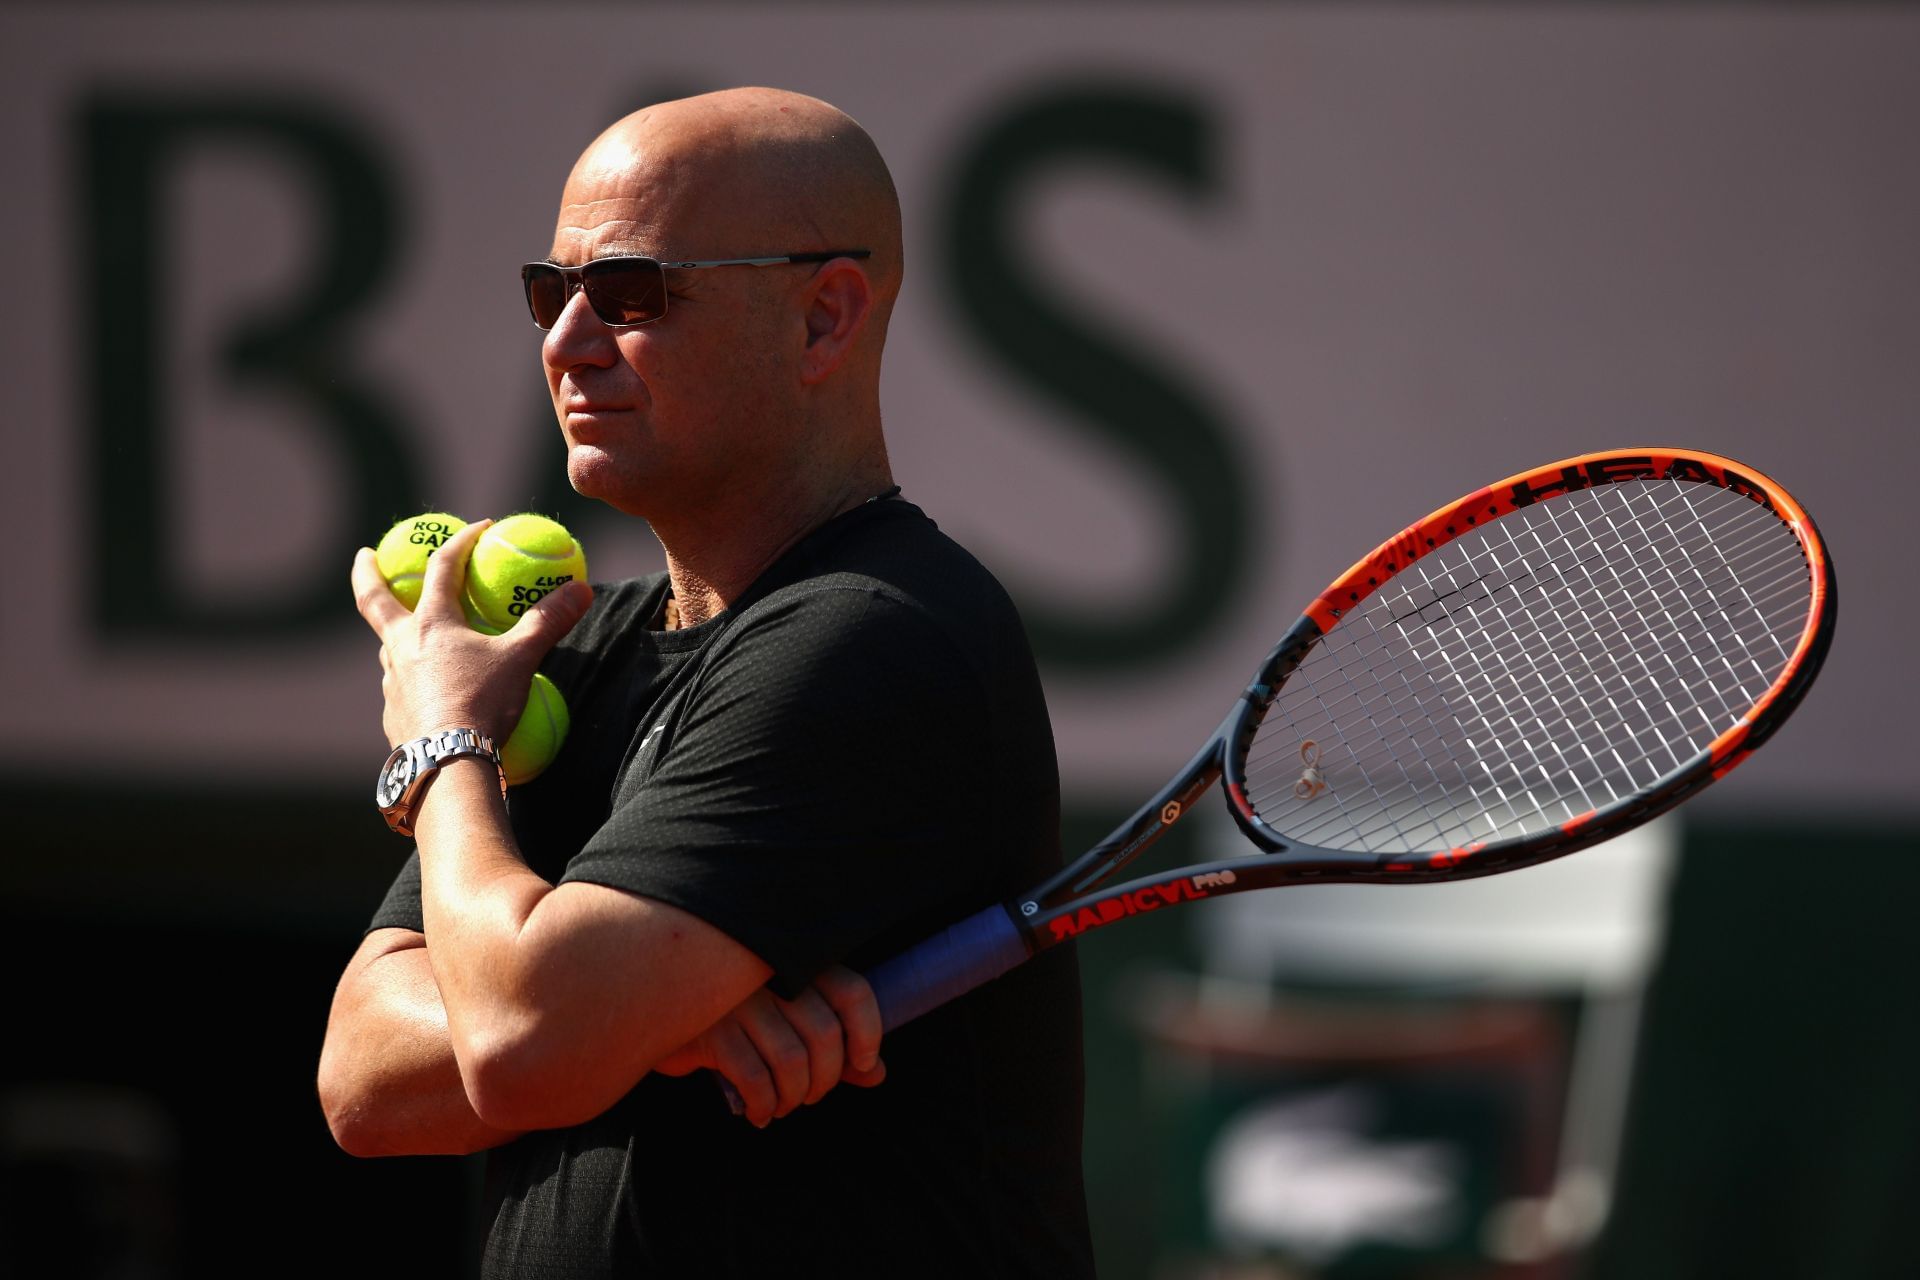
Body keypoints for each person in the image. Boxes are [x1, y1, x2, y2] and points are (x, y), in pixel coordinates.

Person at [317, 87, 1094, 1275]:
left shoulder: (877, 636)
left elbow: (520, 1038)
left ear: (823, 319)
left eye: (632, 293)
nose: (567, 342)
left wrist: (440, 748)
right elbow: (362, 1078)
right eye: (549, 293)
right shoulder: (579, 643)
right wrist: (661, 1029)